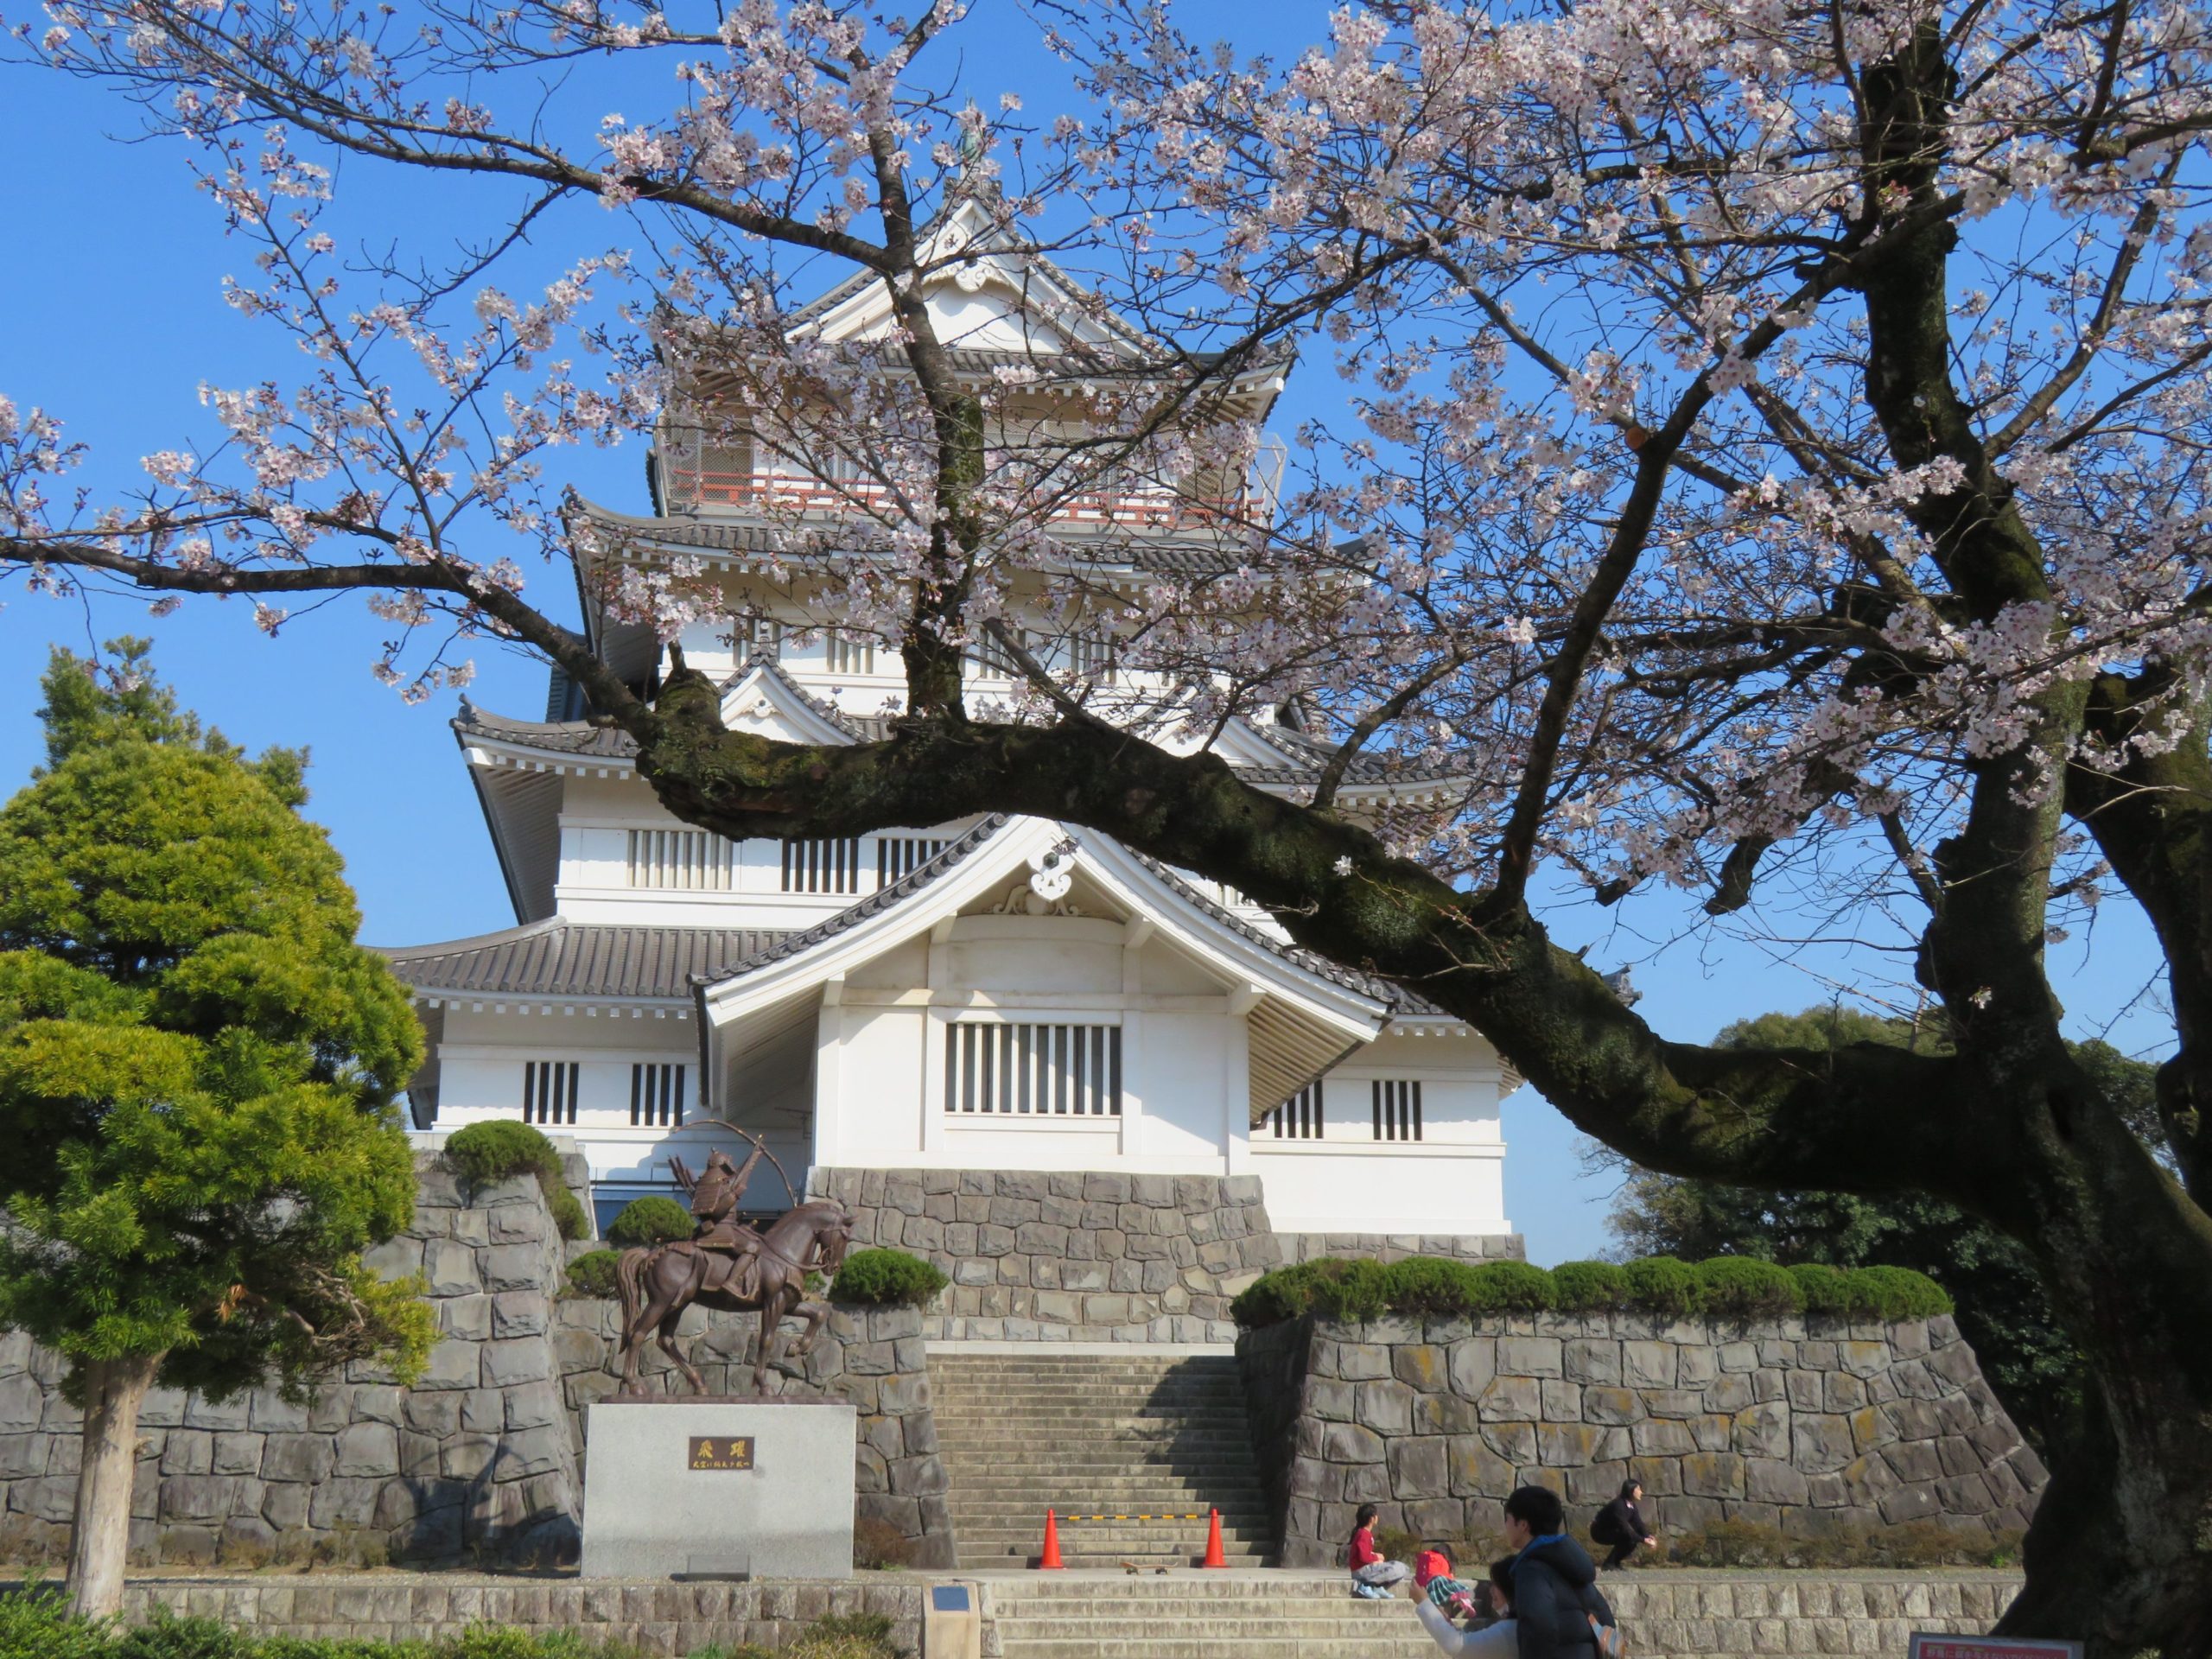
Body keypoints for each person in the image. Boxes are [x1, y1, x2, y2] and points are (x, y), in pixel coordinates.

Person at [1502, 1486, 1618, 1659]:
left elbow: (1539, 1627)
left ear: (1523, 1525)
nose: (1505, 1525)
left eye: (1507, 1519)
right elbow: (1606, 1620)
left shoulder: (1530, 1569)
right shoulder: (1572, 1564)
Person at [1415, 1560, 1519, 1656]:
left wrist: (1423, 1602)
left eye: (1496, 1585)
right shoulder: (1515, 1627)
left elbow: (1458, 1646)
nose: (1491, 1590)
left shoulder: (1510, 1631)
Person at [1346, 1504, 1413, 1599]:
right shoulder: (1363, 1534)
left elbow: (1364, 1553)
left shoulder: (1364, 1533)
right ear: (1371, 1519)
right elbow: (1363, 1557)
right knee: (1400, 1568)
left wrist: (1374, 1556)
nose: (1377, 1517)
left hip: (1363, 1569)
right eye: (1376, 1515)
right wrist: (1376, 1558)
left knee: (1402, 1568)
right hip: (1361, 1572)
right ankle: (1367, 1585)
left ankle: (1378, 1587)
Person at [1590, 1478, 1656, 1570]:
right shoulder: (1619, 1505)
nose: (1641, 1492)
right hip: (1599, 1532)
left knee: (1633, 1538)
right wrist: (1643, 1540)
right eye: (1638, 1489)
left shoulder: (1631, 1505)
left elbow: (1638, 1523)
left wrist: (1647, 1536)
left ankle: (1615, 1563)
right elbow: (1624, 1527)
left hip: (1614, 1530)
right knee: (1630, 1537)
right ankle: (1609, 1564)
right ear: (1631, 1490)